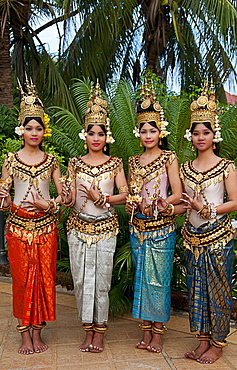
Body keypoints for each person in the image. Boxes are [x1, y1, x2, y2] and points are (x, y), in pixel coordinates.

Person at [61, 81, 128, 353]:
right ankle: (86, 330)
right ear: (84, 136)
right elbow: (67, 200)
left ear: (107, 136)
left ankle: (99, 333)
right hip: (77, 228)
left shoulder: (115, 164)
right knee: (81, 281)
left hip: (105, 228)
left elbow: (125, 194)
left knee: (102, 280)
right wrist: (65, 194)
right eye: (92, 133)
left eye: (101, 133)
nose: (96, 138)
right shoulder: (75, 163)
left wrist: (103, 199)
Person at [0, 78, 62, 355]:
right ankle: (25, 335)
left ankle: (39, 332)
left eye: (38, 128)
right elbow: (4, 193)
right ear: (21, 130)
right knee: (23, 281)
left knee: (45, 280)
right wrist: (4, 200)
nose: (33, 132)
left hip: (46, 228)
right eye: (29, 128)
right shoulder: (11, 159)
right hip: (18, 227)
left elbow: (65, 198)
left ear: (44, 130)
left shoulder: (51, 161)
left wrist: (49, 204)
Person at [178, 82, 237, 364]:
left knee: (219, 290)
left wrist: (208, 209)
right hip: (192, 238)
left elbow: (235, 202)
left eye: (207, 132)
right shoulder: (185, 168)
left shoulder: (226, 166)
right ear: (191, 136)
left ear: (215, 135)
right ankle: (202, 340)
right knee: (196, 290)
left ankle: (218, 343)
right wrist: (166, 206)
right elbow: (182, 204)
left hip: (218, 239)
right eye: (197, 133)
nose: (201, 137)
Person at [125, 81, 182, 353]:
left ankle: (158, 334)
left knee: (159, 282)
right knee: (142, 279)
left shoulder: (170, 158)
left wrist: (161, 205)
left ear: (161, 132)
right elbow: (132, 194)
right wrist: (132, 205)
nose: (148, 135)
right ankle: (145, 332)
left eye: (153, 130)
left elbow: (178, 193)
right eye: (144, 130)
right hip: (139, 228)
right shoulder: (133, 161)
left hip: (162, 228)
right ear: (139, 133)